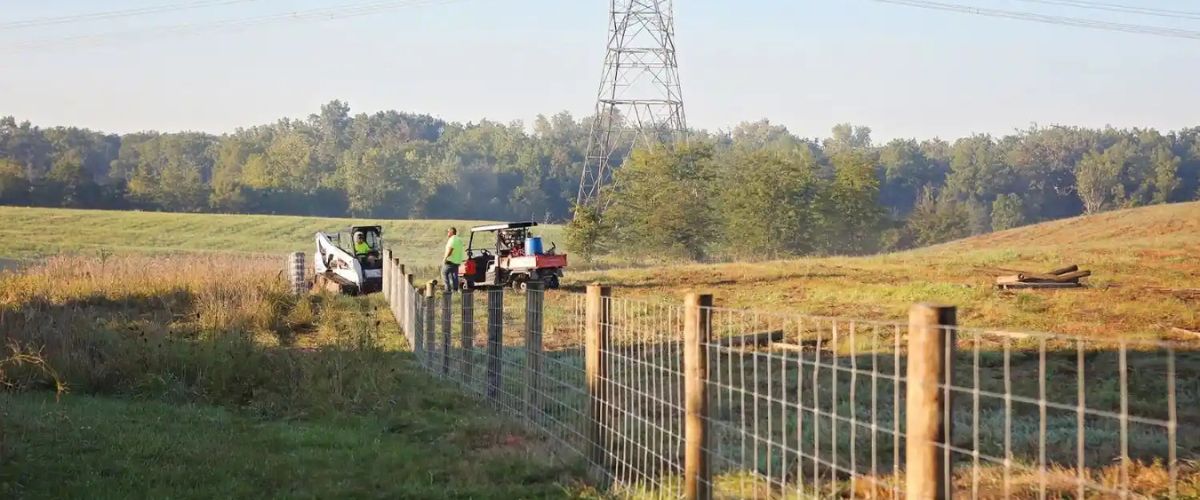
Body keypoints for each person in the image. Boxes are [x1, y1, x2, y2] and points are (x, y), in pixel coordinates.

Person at [442, 227, 465, 292]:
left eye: (448, 232)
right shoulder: (459, 240)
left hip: (450, 261)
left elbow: (450, 250)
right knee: (454, 276)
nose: (447, 233)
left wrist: (445, 258)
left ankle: (447, 289)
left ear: (451, 232)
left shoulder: (452, 239)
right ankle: (455, 290)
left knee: (444, 273)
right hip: (457, 262)